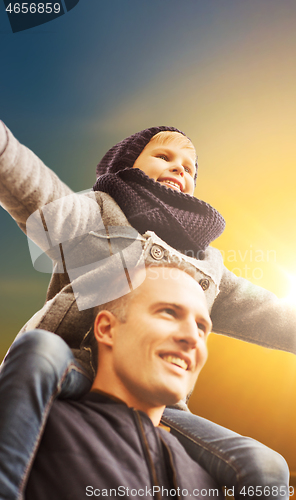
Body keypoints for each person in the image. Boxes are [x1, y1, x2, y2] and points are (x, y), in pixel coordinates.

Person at [0, 122, 292, 499]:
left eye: (190, 167)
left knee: (267, 465)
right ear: (126, 167)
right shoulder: (98, 216)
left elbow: (268, 312)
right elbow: (35, 187)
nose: (180, 169)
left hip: (162, 398)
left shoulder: (208, 265)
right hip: (76, 363)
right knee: (38, 351)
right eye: (164, 156)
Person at [22, 266, 274, 499]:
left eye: (200, 327)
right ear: (107, 329)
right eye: (168, 312)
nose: (192, 338)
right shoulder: (36, 429)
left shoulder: (207, 483)